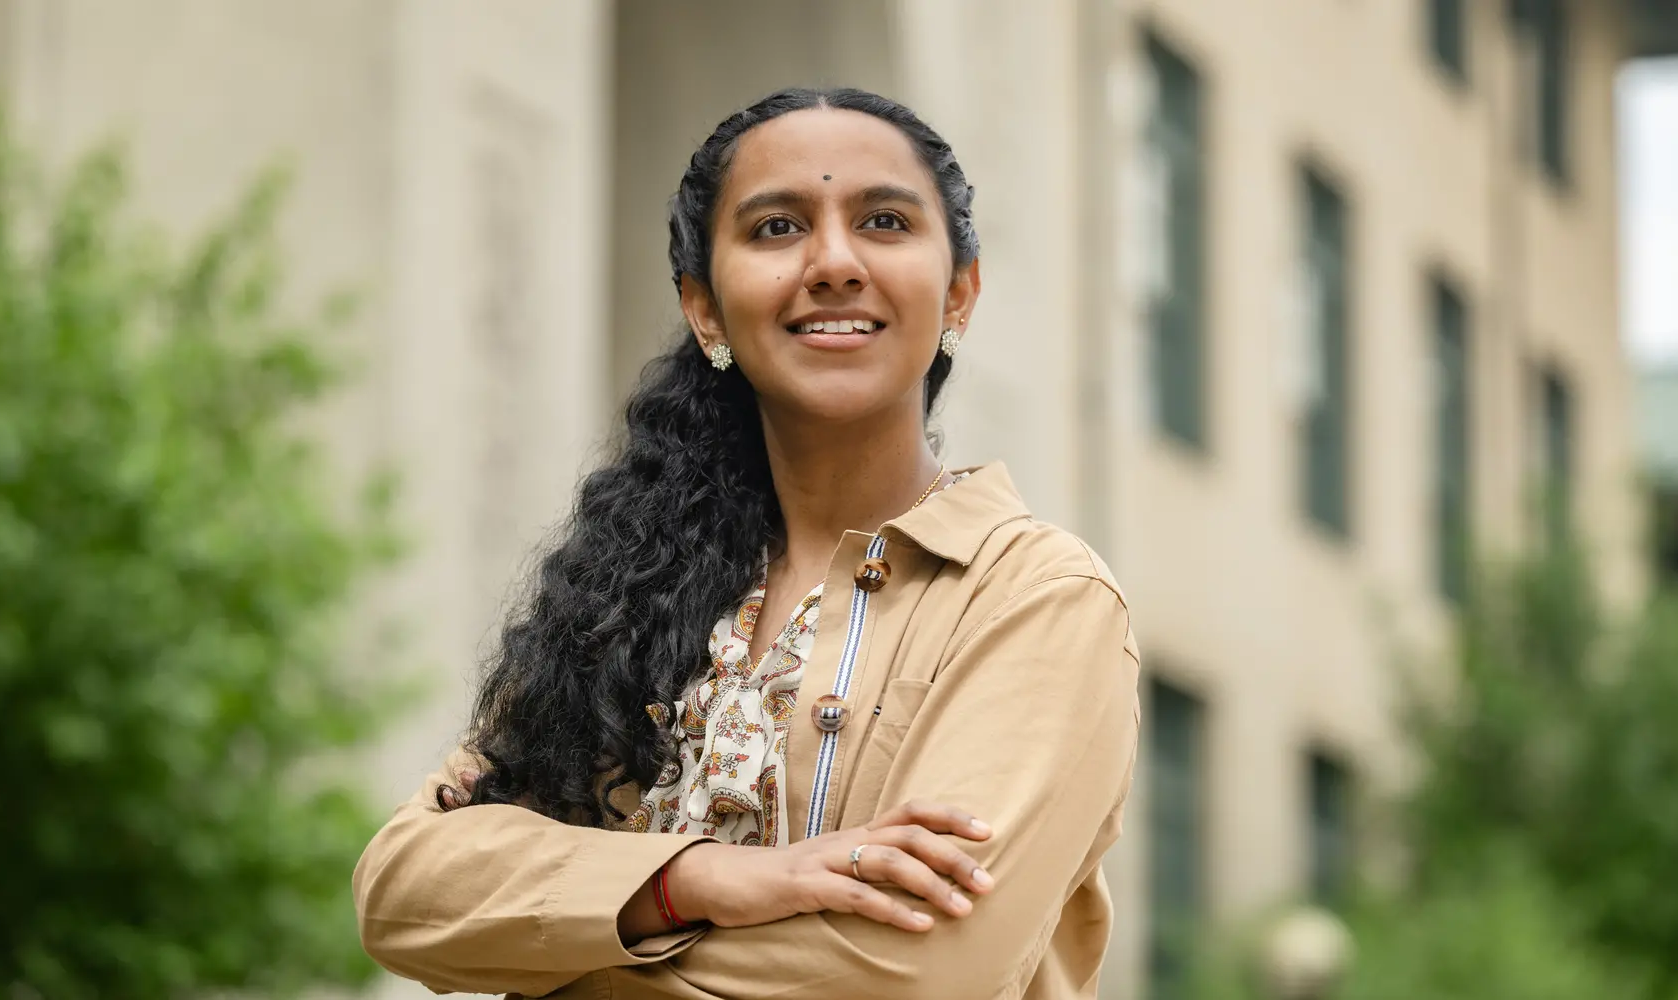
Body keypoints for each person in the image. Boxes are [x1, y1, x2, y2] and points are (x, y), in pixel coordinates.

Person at [352, 86, 1139, 1000]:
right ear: (706, 311)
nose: (835, 262)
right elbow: (405, 888)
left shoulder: (1034, 597)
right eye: (776, 228)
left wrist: (561, 946)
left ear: (959, 290)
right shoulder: (634, 590)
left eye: (884, 221)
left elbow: (911, 973)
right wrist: (701, 882)